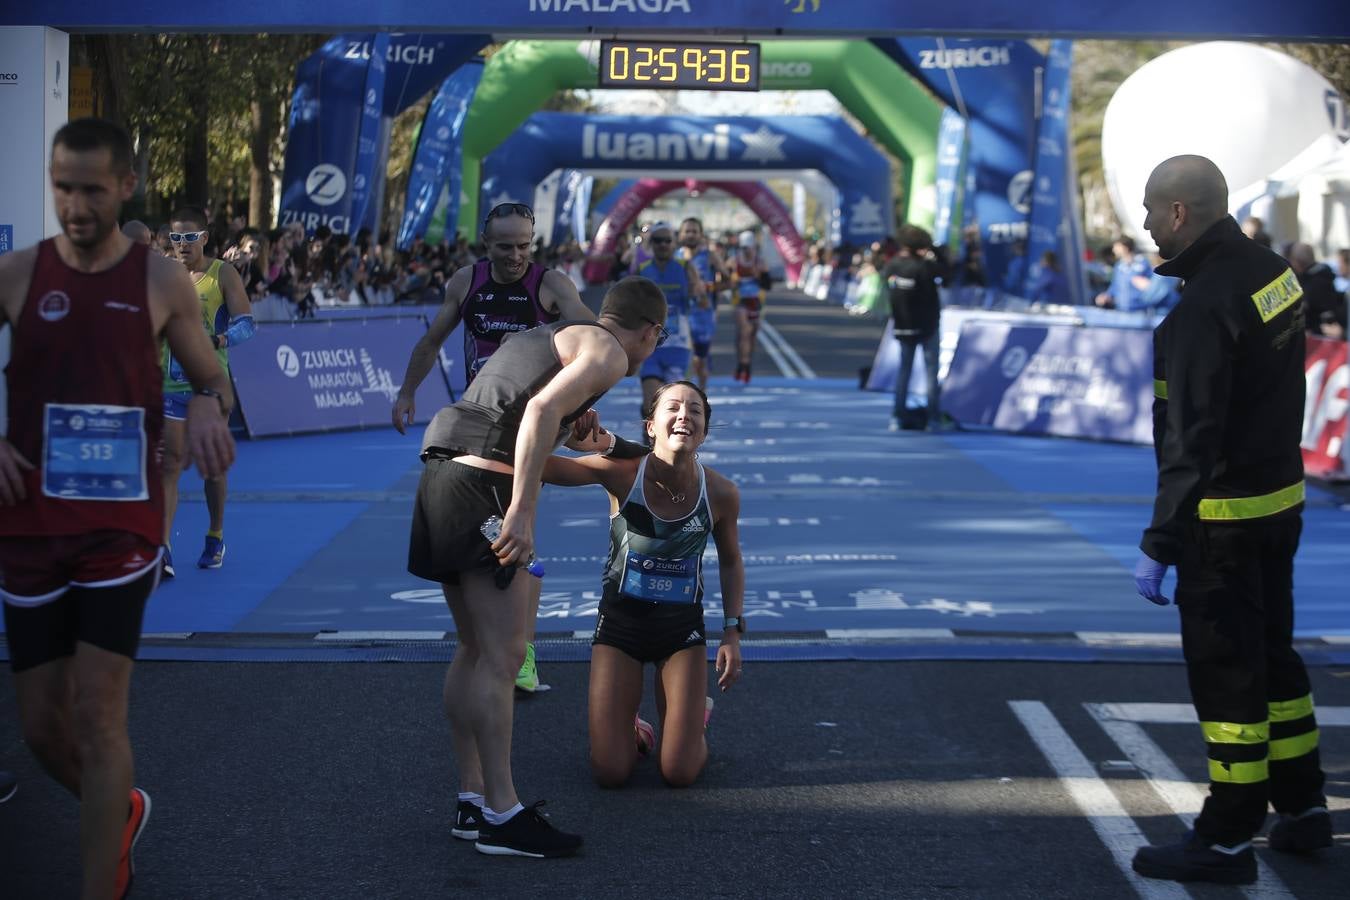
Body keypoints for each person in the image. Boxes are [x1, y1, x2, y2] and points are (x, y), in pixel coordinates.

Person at [0, 117, 235, 900]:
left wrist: (206, 405)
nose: (74, 204)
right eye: (62, 186)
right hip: (29, 525)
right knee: (42, 730)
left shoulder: (159, 281)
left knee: (101, 719)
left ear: (126, 185)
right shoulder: (17, 273)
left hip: (122, 525)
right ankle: (122, 810)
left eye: (91, 189)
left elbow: (211, 377)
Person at [405, 276, 668, 858]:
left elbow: (529, 414)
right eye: (655, 339)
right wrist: (522, 511)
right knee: (503, 656)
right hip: (483, 486)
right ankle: (503, 814)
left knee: (474, 649)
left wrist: (606, 442)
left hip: (442, 469)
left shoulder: (563, 335)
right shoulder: (611, 352)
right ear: (652, 332)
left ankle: (473, 802)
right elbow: (541, 411)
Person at [1130, 155, 1328, 886]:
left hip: (1223, 524)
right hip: (1279, 504)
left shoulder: (1200, 312)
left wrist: (1161, 539)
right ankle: (1303, 807)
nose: (1146, 224)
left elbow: (1190, 440)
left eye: (1152, 211)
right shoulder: (1272, 271)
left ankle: (1227, 834)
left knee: (1229, 680)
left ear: (1180, 212)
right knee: (1275, 659)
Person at [394, 201, 595, 693]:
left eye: (524, 245)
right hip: (480, 422)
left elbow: (596, 338)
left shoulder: (551, 285)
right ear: (486, 245)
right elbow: (432, 341)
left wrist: (582, 405)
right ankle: (498, 643)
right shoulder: (466, 282)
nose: (515, 256)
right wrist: (406, 391)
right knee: (504, 533)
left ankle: (520, 653)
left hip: (535, 420)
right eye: (505, 247)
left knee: (516, 530)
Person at [541, 381, 743, 788]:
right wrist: (565, 428)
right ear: (651, 426)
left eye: (695, 411)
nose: (685, 415)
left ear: (703, 430)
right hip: (620, 628)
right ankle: (636, 729)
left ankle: (690, 725)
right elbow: (539, 464)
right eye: (673, 407)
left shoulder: (721, 492)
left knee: (679, 772)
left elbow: (731, 560)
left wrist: (732, 632)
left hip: (680, 630)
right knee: (611, 773)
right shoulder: (620, 473)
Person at [159, 205, 255, 578]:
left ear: (204, 238)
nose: (182, 245)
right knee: (169, 465)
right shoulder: (162, 275)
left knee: (211, 469)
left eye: (189, 238)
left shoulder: (222, 274)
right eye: (175, 238)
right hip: (169, 385)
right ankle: (163, 549)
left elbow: (247, 325)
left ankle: (215, 535)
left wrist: (216, 339)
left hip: (211, 386)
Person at [634, 222, 706, 426]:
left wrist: (697, 291)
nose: (663, 245)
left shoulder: (684, 267)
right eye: (658, 240)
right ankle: (649, 442)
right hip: (650, 346)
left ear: (674, 243)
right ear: (651, 243)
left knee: (674, 403)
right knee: (650, 401)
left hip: (679, 347)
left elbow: (701, 299)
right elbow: (632, 303)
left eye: (667, 241)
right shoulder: (642, 269)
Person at [884, 224, 948, 432]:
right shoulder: (924, 267)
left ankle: (897, 415)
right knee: (931, 373)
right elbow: (946, 275)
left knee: (904, 371)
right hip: (927, 325)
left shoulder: (893, 266)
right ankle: (933, 419)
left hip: (903, 326)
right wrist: (936, 252)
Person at [677, 217, 728, 391]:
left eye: (694, 231)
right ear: (681, 234)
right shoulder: (674, 256)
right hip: (679, 314)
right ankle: (682, 393)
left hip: (702, 315)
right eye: (687, 231)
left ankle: (702, 393)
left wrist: (709, 287)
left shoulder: (709, 256)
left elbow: (728, 281)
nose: (690, 235)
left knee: (700, 358)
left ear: (700, 235)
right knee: (682, 357)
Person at [730, 229, 770, 383]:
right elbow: (726, 280)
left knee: (752, 337)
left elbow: (767, 286)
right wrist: (734, 280)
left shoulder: (760, 262)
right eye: (743, 248)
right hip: (740, 301)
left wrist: (758, 275)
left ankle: (745, 364)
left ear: (754, 247)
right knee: (744, 333)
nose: (746, 251)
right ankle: (743, 364)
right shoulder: (734, 261)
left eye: (749, 248)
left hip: (757, 302)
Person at [1287, 243, 1346, 340]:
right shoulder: (1323, 274)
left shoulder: (1314, 283)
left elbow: (1325, 312)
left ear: (1297, 262)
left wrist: (1315, 330)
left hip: (1321, 336)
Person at [1094, 235, 1153, 311]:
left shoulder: (1143, 263)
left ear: (1125, 247)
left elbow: (1152, 286)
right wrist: (1107, 296)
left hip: (1140, 311)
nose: (1113, 250)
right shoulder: (1119, 266)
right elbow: (1115, 285)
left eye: (1116, 246)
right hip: (1121, 310)